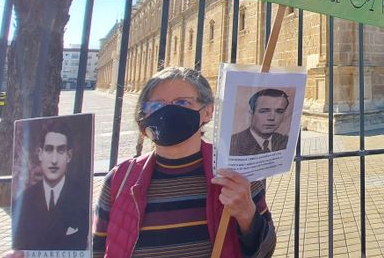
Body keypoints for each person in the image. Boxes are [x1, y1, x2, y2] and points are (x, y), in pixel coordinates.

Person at [92, 67, 276, 257]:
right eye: (156, 105)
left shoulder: (235, 174)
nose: (169, 111)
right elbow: (97, 248)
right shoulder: (119, 180)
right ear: (144, 115)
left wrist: (248, 216)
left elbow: (266, 249)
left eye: (182, 102)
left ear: (208, 111)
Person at [12, 120, 90, 250]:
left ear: (69, 156)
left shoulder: (82, 198)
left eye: (60, 150)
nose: (54, 160)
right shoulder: (23, 201)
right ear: (40, 154)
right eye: (49, 150)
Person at [230, 89, 290, 156]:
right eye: (264, 111)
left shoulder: (285, 141)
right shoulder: (233, 142)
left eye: (279, 112)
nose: (271, 118)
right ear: (251, 113)